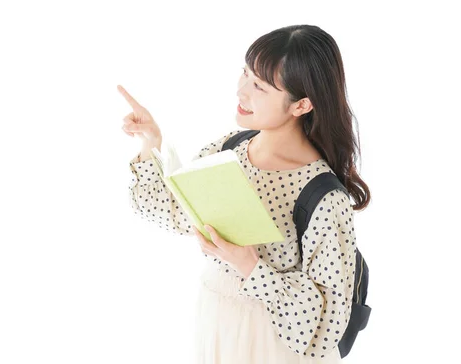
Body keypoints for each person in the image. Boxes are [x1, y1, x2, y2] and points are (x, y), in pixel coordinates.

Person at [120, 24, 371, 363]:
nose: (241, 90)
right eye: (245, 73)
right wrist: (150, 144)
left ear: (301, 105)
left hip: (273, 347)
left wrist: (251, 267)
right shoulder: (230, 149)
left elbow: (325, 325)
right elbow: (172, 213)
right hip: (218, 326)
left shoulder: (322, 196)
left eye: (260, 86)